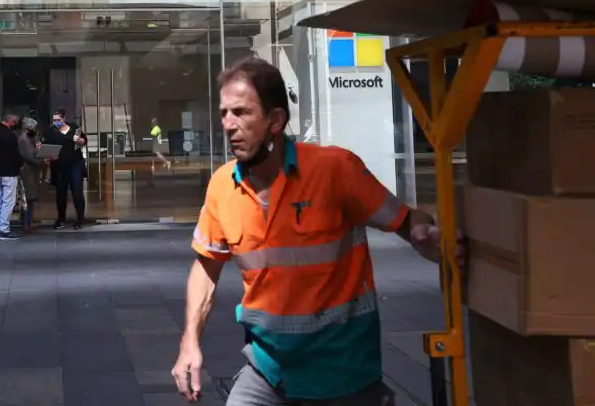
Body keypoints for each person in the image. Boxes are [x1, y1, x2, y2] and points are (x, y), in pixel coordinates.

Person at [172, 56, 462, 405]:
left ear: (276, 119)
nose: (229, 125)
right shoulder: (222, 187)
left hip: (343, 374)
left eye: (242, 113)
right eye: (224, 113)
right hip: (268, 370)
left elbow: (405, 220)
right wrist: (190, 342)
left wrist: (423, 234)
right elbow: (206, 268)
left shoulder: (334, 170)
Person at [44, 108, 87, 230]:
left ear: (64, 118)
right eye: (54, 120)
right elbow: (46, 147)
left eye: (58, 120)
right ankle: (61, 219)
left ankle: (80, 218)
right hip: (59, 166)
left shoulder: (74, 128)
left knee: (77, 192)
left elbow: (84, 141)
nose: (56, 122)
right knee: (61, 194)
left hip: (75, 164)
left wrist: (79, 140)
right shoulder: (50, 132)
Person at [0, 113, 22, 241]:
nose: (15, 126)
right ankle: (4, 230)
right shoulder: (9, 135)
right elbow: (15, 154)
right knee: (8, 201)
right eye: (15, 123)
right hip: (9, 172)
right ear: (11, 122)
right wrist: (20, 163)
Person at [18, 117, 46, 233]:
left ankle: (28, 222)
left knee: (30, 199)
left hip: (31, 171)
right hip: (27, 171)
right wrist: (42, 160)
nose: (35, 129)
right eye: (33, 127)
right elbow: (30, 156)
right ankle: (26, 224)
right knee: (27, 199)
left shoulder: (29, 139)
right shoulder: (23, 140)